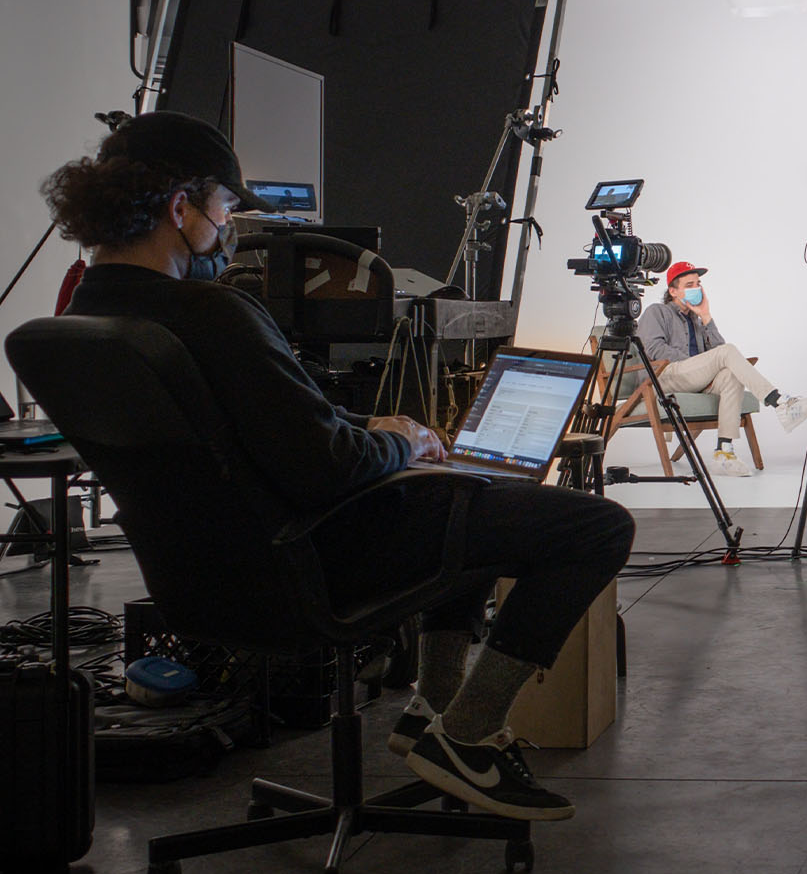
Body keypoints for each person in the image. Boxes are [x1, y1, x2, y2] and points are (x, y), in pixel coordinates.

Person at [43, 113, 634, 821]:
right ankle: (468, 735)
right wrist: (408, 444)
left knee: (469, 504)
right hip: (313, 565)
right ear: (180, 208)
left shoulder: (85, 321)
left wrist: (368, 426)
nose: (227, 229)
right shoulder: (212, 314)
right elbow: (328, 468)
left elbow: (244, 431)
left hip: (209, 581)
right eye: (225, 209)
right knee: (592, 527)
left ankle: (429, 713)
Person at [635, 261, 807, 476]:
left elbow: (718, 351)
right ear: (673, 291)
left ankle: (724, 451)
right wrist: (699, 364)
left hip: (691, 378)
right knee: (727, 352)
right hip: (664, 377)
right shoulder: (657, 312)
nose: (696, 289)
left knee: (730, 375)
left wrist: (706, 316)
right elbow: (654, 350)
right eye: (689, 285)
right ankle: (780, 402)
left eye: (698, 284)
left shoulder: (697, 320)